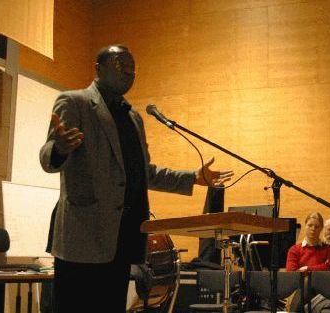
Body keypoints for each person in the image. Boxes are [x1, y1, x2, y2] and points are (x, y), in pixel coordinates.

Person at [39, 44, 233, 313]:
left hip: (122, 238)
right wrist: (58, 149)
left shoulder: (134, 118)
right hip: (82, 239)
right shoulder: (75, 103)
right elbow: (47, 159)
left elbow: (145, 173)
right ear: (98, 68)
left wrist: (193, 178)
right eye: (120, 64)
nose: (129, 71)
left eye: (132, 67)